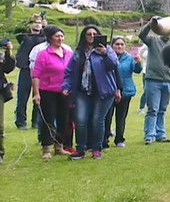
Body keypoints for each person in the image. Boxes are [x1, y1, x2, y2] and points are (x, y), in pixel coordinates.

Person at [63, 25, 120, 160]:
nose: (92, 36)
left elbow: (114, 65)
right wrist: (66, 86)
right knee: (80, 120)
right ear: (84, 36)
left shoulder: (107, 50)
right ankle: (80, 149)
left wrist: (105, 53)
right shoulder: (78, 53)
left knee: (97, 120)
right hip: (83, 91)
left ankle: (96, 149)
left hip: (103, 92)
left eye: (95, 34)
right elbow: (69, 71)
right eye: (89, 34)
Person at [32, 25, 73, 159]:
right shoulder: (43, 54)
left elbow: (73, 72)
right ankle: (47, 148)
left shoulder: (68, 53)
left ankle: (59, 146)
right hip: (47, 91)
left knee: (64, 119)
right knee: (48, 120)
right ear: (50, 38)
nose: (60, 38)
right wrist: (36, 93)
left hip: (64, 91)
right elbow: (36, 75)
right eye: (57, 36)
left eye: (61, 36)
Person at [137, 21, 170, 144]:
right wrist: (150, 24)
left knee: (162, 110)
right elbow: (141, 35)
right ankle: (149, 135)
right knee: (153, 110)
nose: (168, 33)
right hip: (153, 81)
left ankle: (161, 134)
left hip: (169, 82)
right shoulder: (153, 41)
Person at [102, 36, 142, 148]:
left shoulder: (129, 58)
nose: (119, 46)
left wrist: (138, 62)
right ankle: (104, 139)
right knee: (107, 116)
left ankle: (119, 139)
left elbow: (137, 71)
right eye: (117, 44)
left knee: (121, 117)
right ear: (112, 46)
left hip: (126, 91)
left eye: (122, 44)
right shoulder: (107, 57)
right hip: (109, 90)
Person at [14, 14, 48, 129]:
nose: (37, 24)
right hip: (25, 68)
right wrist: (28, 21)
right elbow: (17, 30)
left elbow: (49, 31)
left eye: (39, 22)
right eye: (35, 22)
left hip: (40, 71)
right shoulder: (24, 36)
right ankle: (20, 122)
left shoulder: (44, 37)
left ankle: (36, 121)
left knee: (38, 96)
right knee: (22, 97)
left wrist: (44, 24)